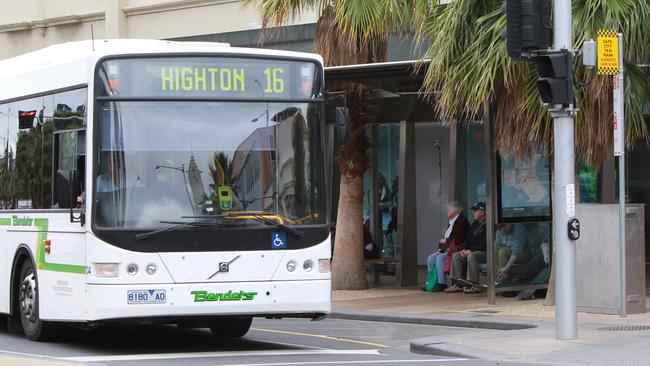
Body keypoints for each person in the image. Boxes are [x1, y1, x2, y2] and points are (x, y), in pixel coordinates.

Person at [426, 201, 469, 292]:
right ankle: (432, 282)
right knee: (431, 258)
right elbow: (446, 237)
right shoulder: (451, 222)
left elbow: (458, 239)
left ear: (454, 211)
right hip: (446, 249)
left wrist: (445, 241)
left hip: (455, 249)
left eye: (448, 210)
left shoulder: (461, 221)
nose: (447, 212)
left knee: (440, 258)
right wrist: (440, 248)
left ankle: (442, 283)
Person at [446, 202, 487, 294]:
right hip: (472, 251)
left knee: (472, 256)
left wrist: (471, 251)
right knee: (456, 255)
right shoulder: (475, 224)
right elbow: (468, 239)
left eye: (476, 211)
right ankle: (458, 283)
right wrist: (464, 249)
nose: (473, 213)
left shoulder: (488, 224)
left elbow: (485, 244)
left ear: (483, 212)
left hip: (485, 252)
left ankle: (473, 284)